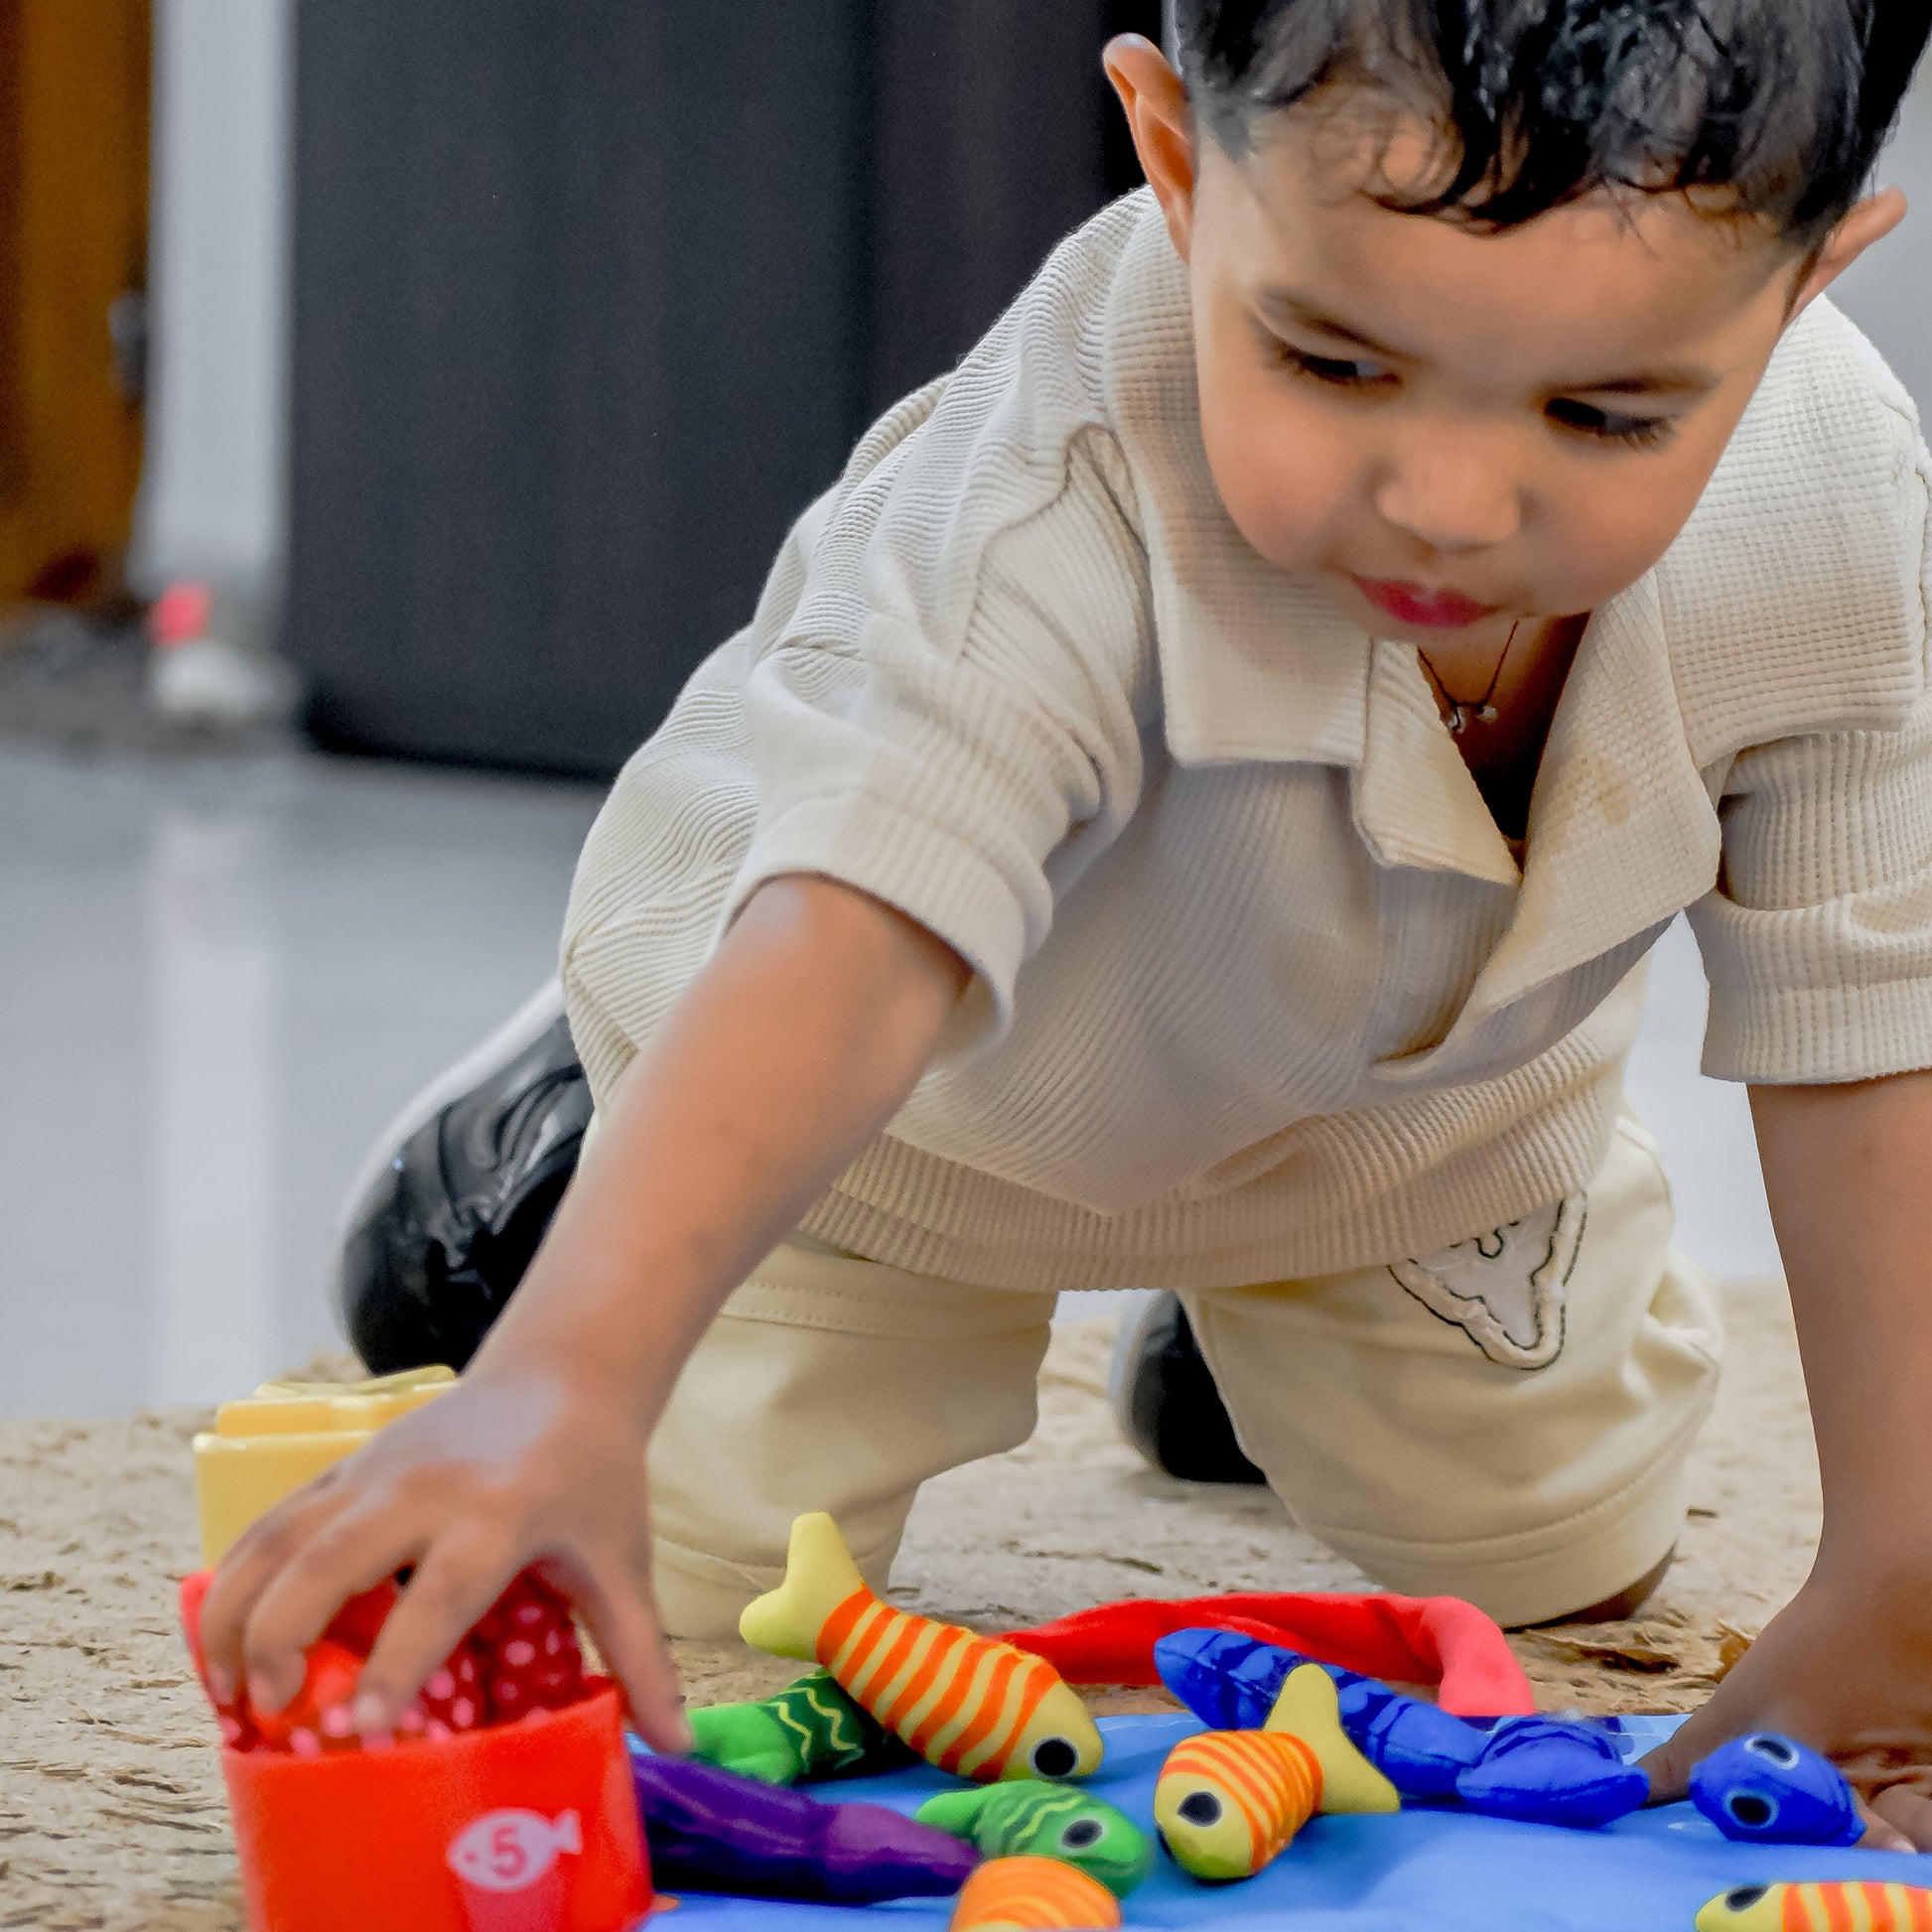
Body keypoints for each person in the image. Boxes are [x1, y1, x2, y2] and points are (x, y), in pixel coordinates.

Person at [206, 0, 1932, 1842]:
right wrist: (561, 1379)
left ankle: (1236, 1336)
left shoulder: (1831, 486)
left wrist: (1898, 1567)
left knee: (1563, 1553)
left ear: (1807, 276)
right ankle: (551, 1157)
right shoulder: (1065, 471)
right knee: (683, 1591)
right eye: (1335, 362)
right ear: (1177, 162)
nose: (1446, 502)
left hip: (1410, 1122)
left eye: (1604, 411)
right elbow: (866, 922)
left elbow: (1870, 1011)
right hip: (906, 1117)